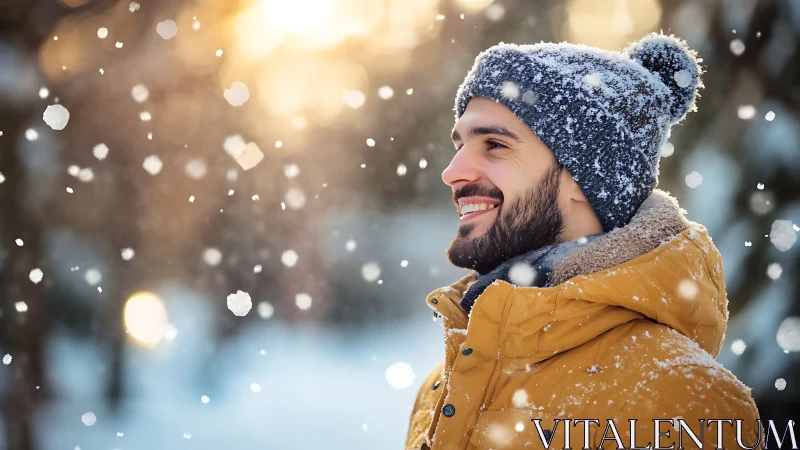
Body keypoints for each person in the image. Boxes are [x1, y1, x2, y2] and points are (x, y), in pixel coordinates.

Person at [405, 33, 763, 450]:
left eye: (495, 145)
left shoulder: (678, 398)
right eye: (460, 144)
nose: (452, 172)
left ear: (585, 177)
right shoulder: (444, 385)